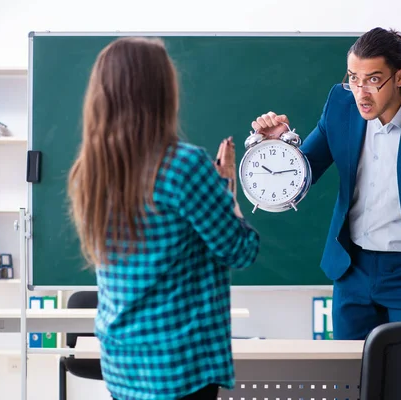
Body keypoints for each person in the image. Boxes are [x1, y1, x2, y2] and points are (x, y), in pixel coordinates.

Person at [250, 27, 401, 340]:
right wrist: (281, 147)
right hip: (353, 269)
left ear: (399, 77)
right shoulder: (341, 105)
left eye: (373, 79)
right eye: (353, 78)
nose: (361, 92)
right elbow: (302, 175)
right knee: (351, 379)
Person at [67, 37, 260, 400]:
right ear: (160, 93)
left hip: (122, 361)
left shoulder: (88, 171)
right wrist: (226, 189)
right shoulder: (181, 166)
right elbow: (240, 249)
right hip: (178, 366)